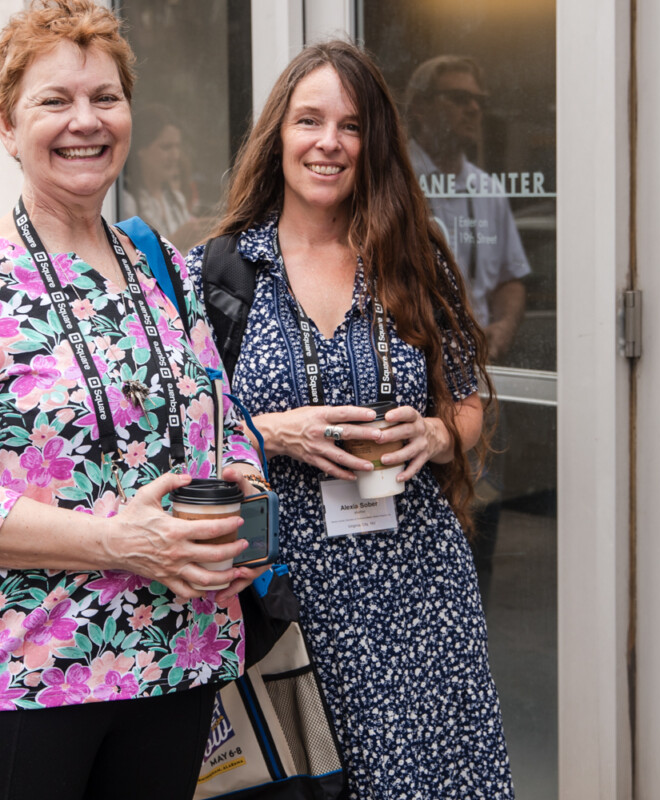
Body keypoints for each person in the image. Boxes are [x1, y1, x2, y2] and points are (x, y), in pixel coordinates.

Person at [0, 3, 263, 797]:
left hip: (175, 661)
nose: (85, 122)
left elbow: (223, 427)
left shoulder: (158, 261)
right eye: (55, 101)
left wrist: (246, 514)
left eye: (105, 98)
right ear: (5, 123)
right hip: (22, 678)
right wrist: (124, 544)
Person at [188, 40, 514, 798]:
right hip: (284, 597)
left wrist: (437, 434)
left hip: (417, 590)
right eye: (309, 120)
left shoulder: (411, 257)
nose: (328, 142)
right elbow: (185, 428)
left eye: (351, 125)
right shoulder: (222, 270)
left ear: (375, 144)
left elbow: (466, 398)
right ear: (280, 134)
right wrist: (274, 433)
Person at [402, 54, 533, 595]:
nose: (473, 109)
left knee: (483, 509)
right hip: (413, 373)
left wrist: (501, 328)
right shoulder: (397, 179)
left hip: (472, 376)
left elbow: (510, 276)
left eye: (478, 100)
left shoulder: (486, 187)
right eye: (459, 98)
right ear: (422, 106)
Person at [119, 102, 198, 239]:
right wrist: (178, 239)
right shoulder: (126, 203)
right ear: (141, 150)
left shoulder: (176, 199)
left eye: (177, 147)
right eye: (166, 147)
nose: (175, 156)